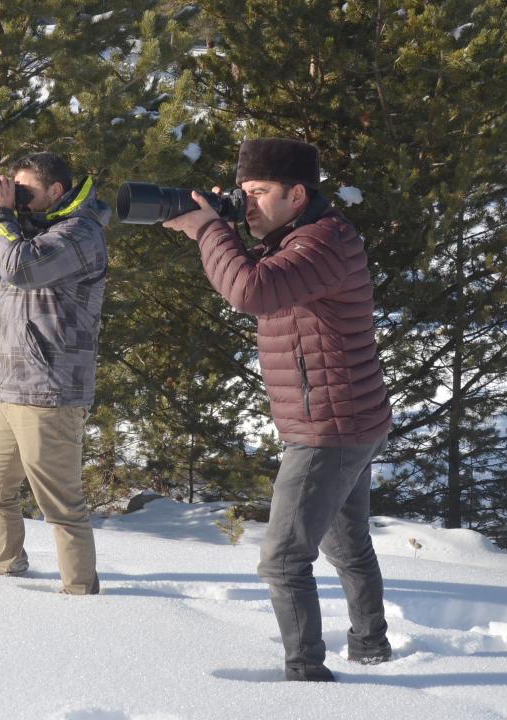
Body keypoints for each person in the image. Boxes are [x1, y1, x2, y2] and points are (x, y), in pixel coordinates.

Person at [162, 138, 393, 680]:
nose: (248, 205)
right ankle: (370, 646)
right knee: (346, 542)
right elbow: (259, 277)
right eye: (242, 193)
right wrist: (220, 221)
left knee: (284, 560)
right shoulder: (301, 237)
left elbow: (250, 291)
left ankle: (306, 676)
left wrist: (208, 229)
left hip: (328, 428)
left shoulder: (322, 244)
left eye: (258, 193)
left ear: (296, 194)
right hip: (352, 418)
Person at [0, 152, 110, 595]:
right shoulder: (28, 228)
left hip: (51, 391)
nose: (17, 198)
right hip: (10, 387)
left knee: (60, 504)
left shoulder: (80, 233)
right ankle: (10, 570)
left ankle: (81, 591)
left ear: (56, 192)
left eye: (25, 191)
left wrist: (4, 217)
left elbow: (20, 267)